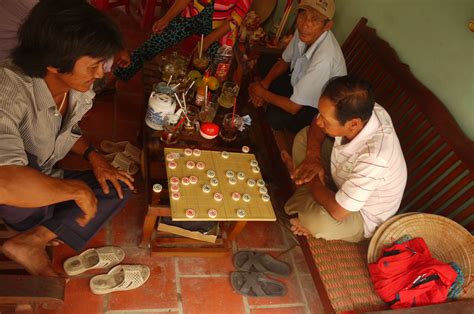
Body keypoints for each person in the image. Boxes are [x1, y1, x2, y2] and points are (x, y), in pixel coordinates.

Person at [0, 0, 134, 277]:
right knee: (30, 181)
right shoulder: (7, 94)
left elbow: (63, 130)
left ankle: (33, 239)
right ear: (54, 63)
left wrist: (95, 158)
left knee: (119, 187)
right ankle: (45, 227)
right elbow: (4, 182)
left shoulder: (78, 88)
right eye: (95, 65)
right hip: (14, 194)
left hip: (49, 174)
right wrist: (75, 190)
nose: (101, 73)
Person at [282, 75, 407, 242]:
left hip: (359, 215)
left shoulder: (376, 158)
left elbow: (338, 212)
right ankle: (306, 192)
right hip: (341, 174)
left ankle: (301, 181)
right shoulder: (363, 109)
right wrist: (313, 158)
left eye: (325, 120)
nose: (318, 121)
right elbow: (316, 123)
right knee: (304, 137)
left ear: (353, 124)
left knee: (319, 222)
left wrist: (312, 179)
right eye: (320, 113)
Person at [249, 0, 346, 133]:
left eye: (315, 19)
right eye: (303, 15)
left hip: (315, 107)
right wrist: (264, 84)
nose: (306, 24)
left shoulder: (325, 58)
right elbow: (284, 61)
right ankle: (268, 96)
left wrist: (260, 92)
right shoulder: (303, 32)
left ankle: (267, 99)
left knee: (274, 117)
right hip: (297, 81)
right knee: (265, 61)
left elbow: (293, 107)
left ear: (327, 26)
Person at [112, 0, 252, 82]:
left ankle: (195, 107)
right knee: (157, 40)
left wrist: (207, 41)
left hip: (219, 30)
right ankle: (119, 74)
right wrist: (166, 19)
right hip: (192, 16)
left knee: (214, 69)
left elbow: (236, 18)